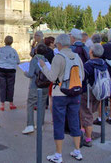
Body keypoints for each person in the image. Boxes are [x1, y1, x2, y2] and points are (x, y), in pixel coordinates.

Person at [40, 34, 84, 162]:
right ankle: (77, 150)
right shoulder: (77, 57)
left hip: (60, 94)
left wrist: (43, 66)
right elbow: (83, 76)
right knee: (75, 121)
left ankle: (58, 154)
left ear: (59, 44)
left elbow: (52, 77)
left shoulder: (58, 58)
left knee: (59, 123)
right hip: (75, 93)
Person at [80, 43, 107, 147]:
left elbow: (82, 77)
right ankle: (85, 132)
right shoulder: (103, 63)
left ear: (91, 52)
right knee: (88, 113)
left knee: (86, 114)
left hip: (87, 92)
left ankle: (88, 138)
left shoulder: (88, 65)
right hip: (98, 92)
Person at [23, 43, 49, 134]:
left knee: (30, 103)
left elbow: (30, 74)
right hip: (45, 85)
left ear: (36, 50)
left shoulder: (34, 59)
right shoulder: (45, 59)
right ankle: (40, 124)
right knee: (41, 104)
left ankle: (30, 124)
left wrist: (25, 73)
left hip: (35, 85)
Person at [0, 35, 21, 111]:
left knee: (2, 87)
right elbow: (18, 61)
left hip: (1, 69)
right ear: (12, 42)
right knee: (10, 86)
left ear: (4, 41)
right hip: (11, 70)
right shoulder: (13, 51)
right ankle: (11, 103)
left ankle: (2, 104)